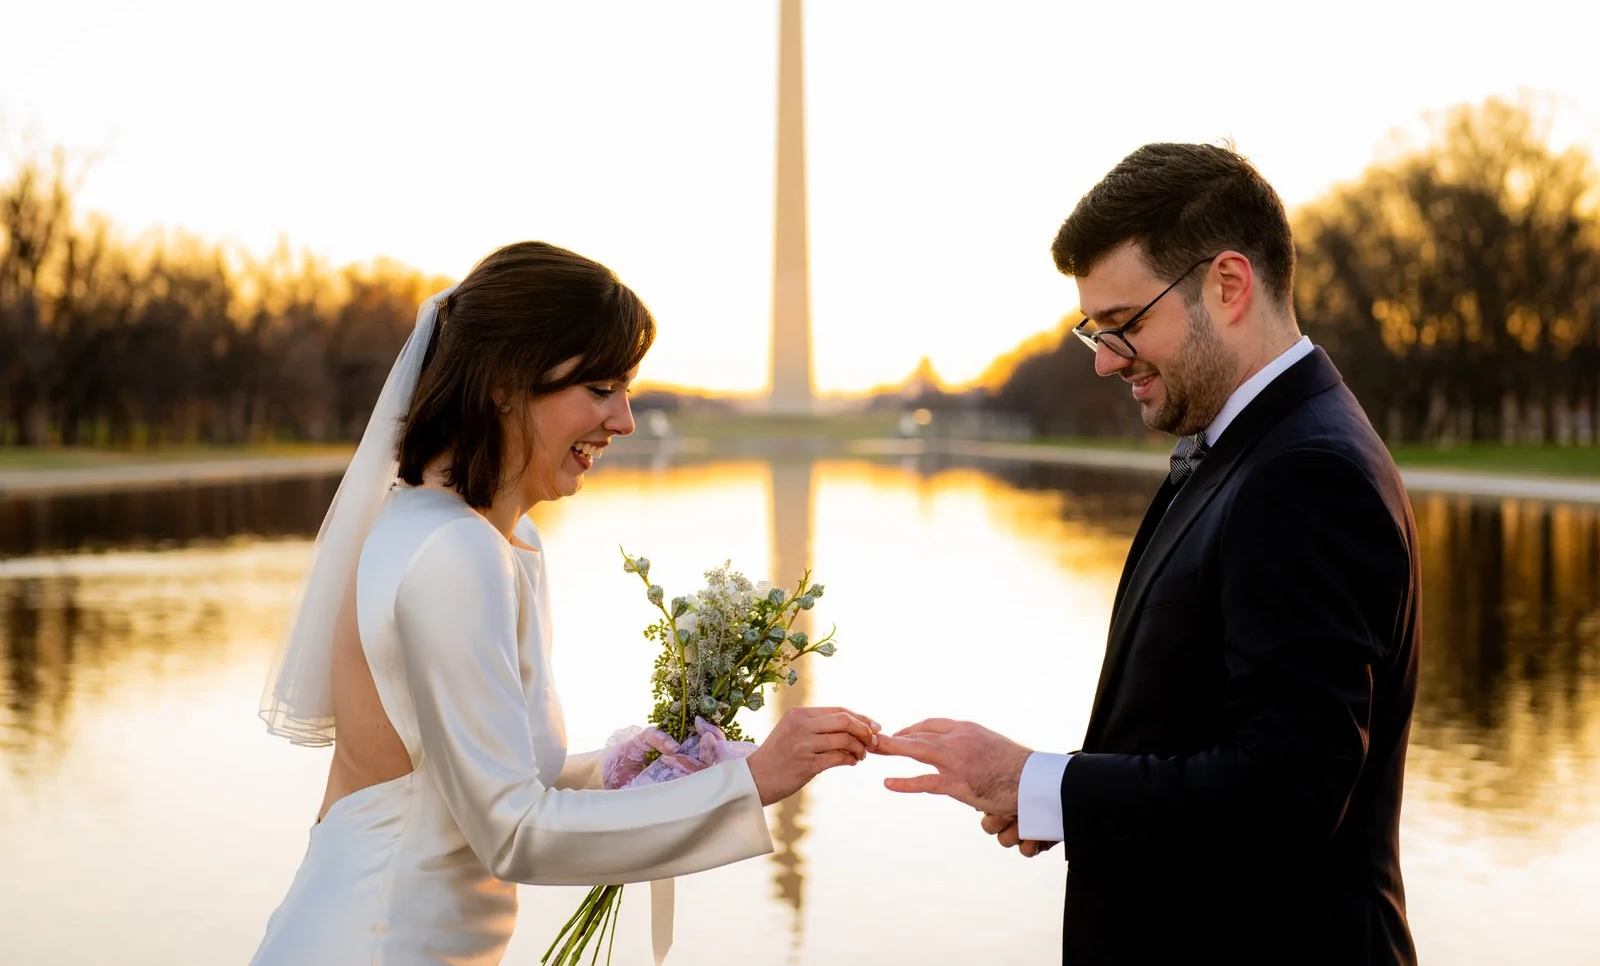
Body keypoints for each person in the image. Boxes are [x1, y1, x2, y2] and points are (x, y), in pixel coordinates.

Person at [249, 241, 877, 966]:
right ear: (506, 383)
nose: (626, 420)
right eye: (602, 387)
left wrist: (629, 768)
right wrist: (754, 781)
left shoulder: (485, 537)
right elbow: (511, 829)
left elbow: (470, 778)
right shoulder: (454, 553)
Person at [876, 144, 1420, 965]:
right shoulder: (1243, 446)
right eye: (1094, 329)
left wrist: (1038, 781)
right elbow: (1198, 726)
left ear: (1228, 285)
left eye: (1125, 324)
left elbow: (1291, 791)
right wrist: (1058, 802)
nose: (1103, 358)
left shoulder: (1306, 472)